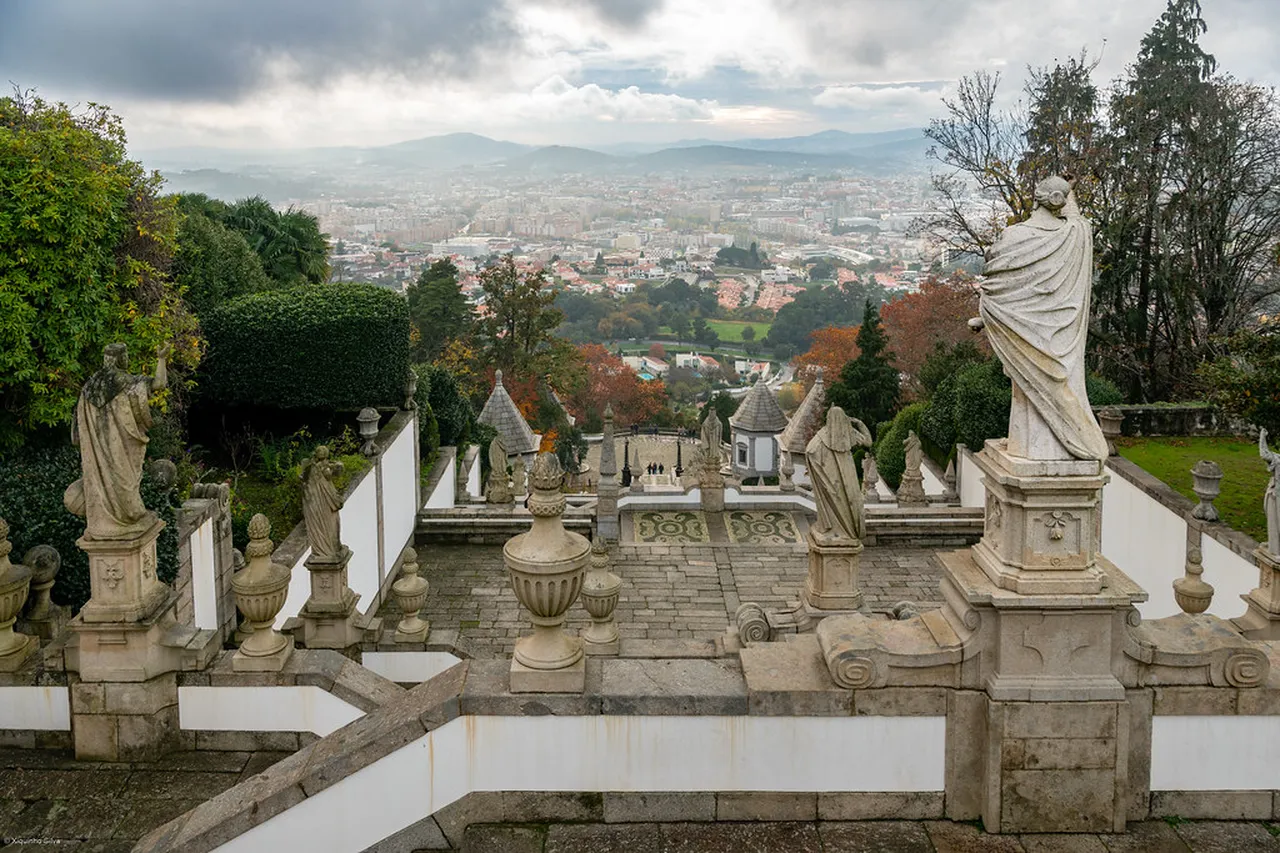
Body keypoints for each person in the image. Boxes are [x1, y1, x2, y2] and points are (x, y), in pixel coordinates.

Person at [975, 176, 1108, 461]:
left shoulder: (1015, 237)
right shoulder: (1074, 235)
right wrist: (1069, 197)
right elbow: (1079, 222)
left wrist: (985, 316)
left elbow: (996, 291)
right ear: (1061, 200)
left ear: (1037, 198)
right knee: (1053, 386)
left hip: (1028, 338)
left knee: (1027, 389)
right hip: (1059, 340)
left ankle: (1031, 445)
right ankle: (1055, 443)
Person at [65, 342, 169, 540]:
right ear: (121, 358)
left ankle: (104, 522)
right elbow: (159, 384)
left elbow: (78, 432)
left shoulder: (89, 388)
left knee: (103, 478)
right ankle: (129, 517)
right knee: (124, 479)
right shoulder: (126, 382)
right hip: (119, 447)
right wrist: (162, 359)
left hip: (97, 451)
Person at [805, 406, 873, 542]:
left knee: (834, 502)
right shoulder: (849, 432)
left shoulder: (822, 435)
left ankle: (837, 529)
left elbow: (809, 451)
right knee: (850, 501)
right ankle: (849, 530)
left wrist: (822, 474)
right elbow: (868, 442)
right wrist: (860, 423)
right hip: (848, 475)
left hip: (831, 479)